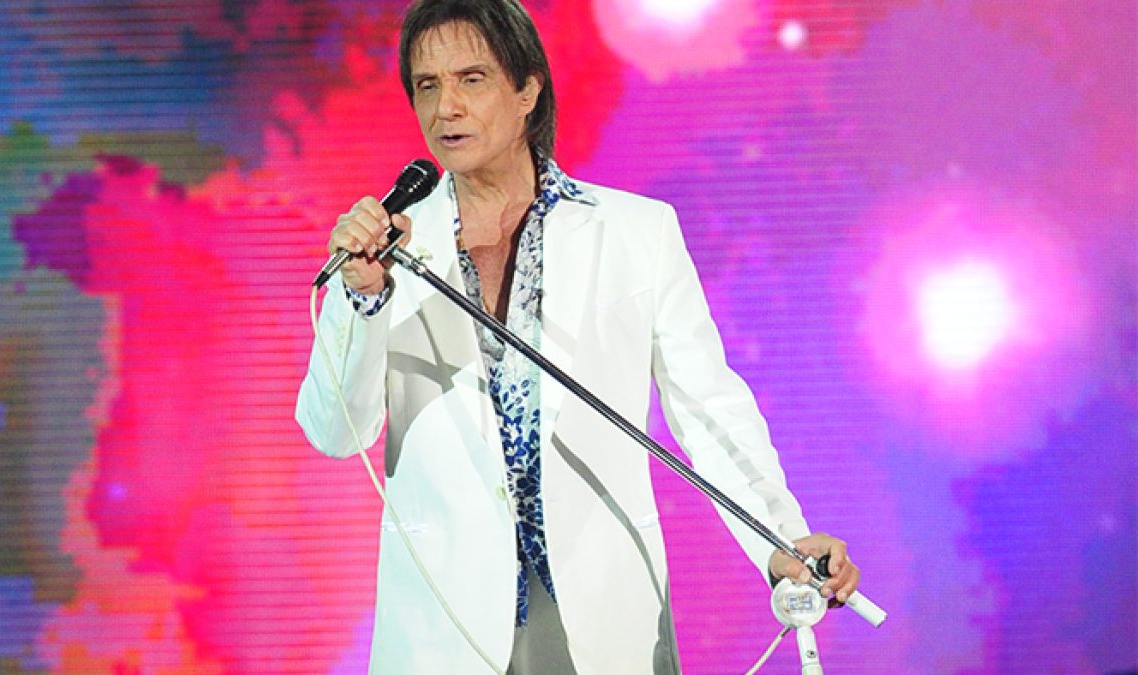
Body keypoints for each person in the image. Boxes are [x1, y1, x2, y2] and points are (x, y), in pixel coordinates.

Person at [296, 0, 861, 672]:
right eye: (427, 85)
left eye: (471, 79)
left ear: (527, 90)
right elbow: (335, 432)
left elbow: (709, 407)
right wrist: (361, 297)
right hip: (443, 629)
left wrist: (781, 539)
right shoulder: (391, 249)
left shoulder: (636, 233)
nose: (446, 107)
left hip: (604, 617)